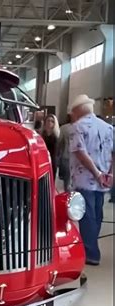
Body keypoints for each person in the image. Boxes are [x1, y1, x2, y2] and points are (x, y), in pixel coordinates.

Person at [69, 94, 114, 266]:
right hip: (104, 181)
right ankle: (92, 246)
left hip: (85, 179)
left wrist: (96, 173)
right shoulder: (108, 127)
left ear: (78, 110)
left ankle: (91, 253)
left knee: (87, 216)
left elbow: (80, 153)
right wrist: (110, 174)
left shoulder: (77, 127)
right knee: (97, 214)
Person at [57, 114, 73, 191]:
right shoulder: (81, 127)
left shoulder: (63, 128)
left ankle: (67, 196)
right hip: (79, 157)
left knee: (67, 179)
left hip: (66, 156)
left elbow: (59, 142)